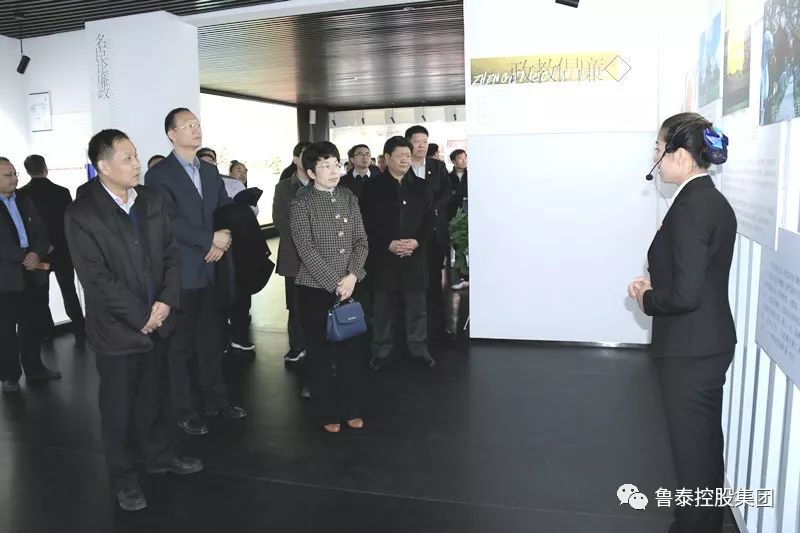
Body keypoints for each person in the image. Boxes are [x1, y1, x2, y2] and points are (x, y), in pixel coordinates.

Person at [65, 129, 203, 512]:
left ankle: (158, 457)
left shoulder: (150, 200)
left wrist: (165, 302)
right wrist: (142, 315)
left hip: (158, 321)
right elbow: (95, 279)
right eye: (127, 158)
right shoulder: (82, 213)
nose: (137, 163)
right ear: (103, 166)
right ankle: (124, 478)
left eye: (136, 155)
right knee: (118, 409)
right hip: (117, 330)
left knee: (154, 399)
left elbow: (171, 254)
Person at [628, 112, 736, 533]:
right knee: (703, 448)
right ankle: (704, 522)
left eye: (658, 149)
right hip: (707, 342)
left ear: (681, 156)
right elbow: (695, 277)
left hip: (690, 349)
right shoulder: (709, 200)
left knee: (693, 454)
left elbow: (686, 295)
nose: (654, 159)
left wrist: (646, 297)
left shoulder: (692, 207)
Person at [146, 107, 246, 437]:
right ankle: (185, 410)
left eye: (197, 124)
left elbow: (224, 208)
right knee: (181, 347)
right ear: (171, 134)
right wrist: (209, 240)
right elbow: (169, 222)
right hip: (183, 272)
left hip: (213, 267)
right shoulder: (159, 175)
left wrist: (224, 236)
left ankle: (217, 400)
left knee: (212, 340)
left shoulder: (209, 170)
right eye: (187, 125)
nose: (195, 128)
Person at [289, 141, 368, 433]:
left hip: (349, 286)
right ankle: (326, 413)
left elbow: (361, 241)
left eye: (335, 164)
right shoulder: (301, 203)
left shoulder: (348, 196)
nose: (334, 171)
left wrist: (352, 276)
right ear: (311, 172)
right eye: (325, 166)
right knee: (320, 353)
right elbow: (305, 249)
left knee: (350, 351)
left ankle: (351, 409)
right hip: (314, 289)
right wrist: (334, 282)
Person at [362, 136, 436, 370]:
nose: (405, 160)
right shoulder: (372, 187)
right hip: (383, 258)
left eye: (408, 155)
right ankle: (381, 351)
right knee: (382, 309)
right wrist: (387, 243)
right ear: (386, 158)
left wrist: (416, 242)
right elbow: (365, 223)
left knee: (417, 309)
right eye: (400, 156)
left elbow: (429, 220)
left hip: (414, 257)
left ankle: (419, 349)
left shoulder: (421, 186)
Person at [0, 157, 61, 393]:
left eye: (15, 174)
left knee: (32, 324)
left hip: (32, 273)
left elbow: (41, 231)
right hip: (6, 279)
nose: (14, 179)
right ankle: (10, 376)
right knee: (6, 330)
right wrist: (23, 255)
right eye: (8, 175)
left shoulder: (24, 199)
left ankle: (35, 369)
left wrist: (36, 252)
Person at [19, 154, 86, 340]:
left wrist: (39, 248)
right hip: (62, 251)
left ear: (27, 171)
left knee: (41, 295)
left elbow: (25, 227)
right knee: (69, 291)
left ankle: (46, 333)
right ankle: (79, 329)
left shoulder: (22, 195)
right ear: (45, 168)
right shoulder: (61, 192)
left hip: (37, 254)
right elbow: (69, 222)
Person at [404, 125, 452, 345]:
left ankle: (438, 328)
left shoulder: (437, 167)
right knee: (411, 284)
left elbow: (447, 193)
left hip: (434, 234)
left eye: (425, 141)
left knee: (434, 281)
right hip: (409, 236)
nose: (422, 145)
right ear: (408, 143)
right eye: (417, 141)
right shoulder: (402, 166)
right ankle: (410, 330)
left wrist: (433, 211)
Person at [273, 146, 311, 370]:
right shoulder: (284, 187)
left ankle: (322, 348)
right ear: (296, 159)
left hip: (324, 256)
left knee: (321, 305)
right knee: (296, 306)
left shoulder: (325, 183)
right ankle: (298, 346)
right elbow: (280, 221)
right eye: (305, 155)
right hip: (294, 256)